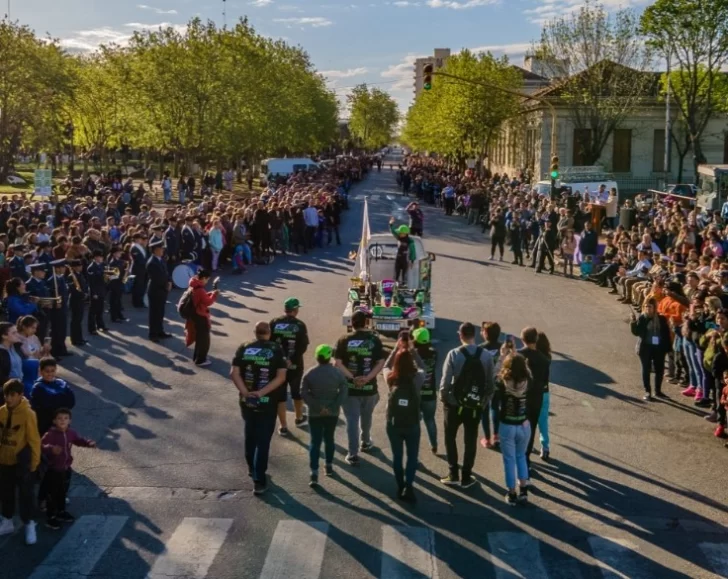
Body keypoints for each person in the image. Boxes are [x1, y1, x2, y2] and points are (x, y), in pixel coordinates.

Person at [230, 322, 287, 495]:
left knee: (250, 433)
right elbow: (281, 376)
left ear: (255, 333)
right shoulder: (276, 349)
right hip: (267, 401)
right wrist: (261, 393)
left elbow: (234, 373)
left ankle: (251, 468)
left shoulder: (244, 347)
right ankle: (259, 480)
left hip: (247, 401)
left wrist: (246, 393)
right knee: (263, 441)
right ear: (269, 333)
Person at [439, 322, 495, 488]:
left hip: (454, 404)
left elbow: (445, 383)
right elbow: (491, 384)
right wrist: (482, 403)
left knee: (450, 437)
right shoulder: (486, 356)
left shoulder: (454, 354)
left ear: (460, 335)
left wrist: (445, 399)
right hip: (474, 405)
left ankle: (453, 473)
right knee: (470, 440)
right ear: (475, 335)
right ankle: (466, 476)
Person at [335, 310, 386, 466]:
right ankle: (365, 441)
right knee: (367, 416)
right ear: (366, 323)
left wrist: (352, 378)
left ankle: (352, 454)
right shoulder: (374, 340)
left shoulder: (344, 339)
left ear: (352, 322)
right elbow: (380, 363)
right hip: (369, 388)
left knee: (351, 420)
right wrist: (368, 378)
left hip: (350, 388)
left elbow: (337, 363)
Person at [383, 339, 426, 503]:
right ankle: (409, 485)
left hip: (393, 422)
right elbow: (424, 368)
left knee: (397, 455)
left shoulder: (391, 378)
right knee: (412, 456)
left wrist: (395, 349)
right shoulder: (417, 379)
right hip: (412, 422)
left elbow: (386, 366)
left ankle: (400, 485)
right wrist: (413, 351)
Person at [40, 408, 96, 529]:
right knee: (52, 494)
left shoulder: (71, 433)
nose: (62, 421)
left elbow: (78, 440)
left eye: (65, 418)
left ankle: (61, 512)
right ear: (54, 421)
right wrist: (51, 448)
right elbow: (41, 445)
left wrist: (87, 443)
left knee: (62, 492)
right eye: (59, 418)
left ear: (70, 420)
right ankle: (51, 517)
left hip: (66, 468)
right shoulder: (50, 434)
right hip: (54, 469)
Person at [0, 379, 40, 545]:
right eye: (6, 395)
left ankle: (29, 523)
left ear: (20, 395)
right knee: (5, 492)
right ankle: (7, 520)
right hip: (4, 459)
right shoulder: (1, 411)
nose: (8, 399)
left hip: (21, 461)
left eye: (12, 395)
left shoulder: (28, 414)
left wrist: (34, 463)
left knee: (25, 494)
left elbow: (34, 439)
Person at [301, 344, 348, 486]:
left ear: (317, 357)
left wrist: (317, 406)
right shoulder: (337, 373)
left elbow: (303, 393)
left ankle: (313, 473)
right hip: (332, 413)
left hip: (315, 414)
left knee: (315, 442)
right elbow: (344, 390)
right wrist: (333, 406)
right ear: (330, 357)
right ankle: (328, 466)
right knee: (329, 439)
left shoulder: (310, 373)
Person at [497, 353, 535, 506]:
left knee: (509, 459)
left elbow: (495, 377)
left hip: (507, 424)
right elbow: (529, 373)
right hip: (524, 424)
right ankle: (524, 489)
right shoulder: (528, 381)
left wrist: (501, 357)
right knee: (521, 456)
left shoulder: (502, 382)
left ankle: (511, 492)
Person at [269, 298, 310, 434]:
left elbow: (270, 344)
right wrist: (291, 359)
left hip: (278, 366)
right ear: (295, 310)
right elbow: (303, 346)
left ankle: (283, 426)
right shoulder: (300, 325)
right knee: (296, 392)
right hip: (295, 365)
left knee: (280, 396)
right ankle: (299, 418)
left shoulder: (274, 322)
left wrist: (279, 360)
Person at [518, 327, 551, 468]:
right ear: (536, 340)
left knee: (517, 427)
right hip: (537, 397)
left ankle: (519, 456)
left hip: (520, 397)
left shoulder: (518, 355)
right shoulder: (545, 359)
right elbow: (545, 380)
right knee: (530, 429)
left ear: (522, 339)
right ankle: (526, 458)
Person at [630, 297, 672, 401]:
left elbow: (666, 334)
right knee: (646, 369)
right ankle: (647, 391)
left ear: (655, 307)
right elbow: (636, 332)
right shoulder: (643, 318)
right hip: (645, 347)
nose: (647, 308)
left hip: (658, 348)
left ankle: (658, 391)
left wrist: (668, 348)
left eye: (650, 306)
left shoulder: (661, 319)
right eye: (646, 306)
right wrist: (633, 322)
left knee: (659, 369)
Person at [480, 322, 510, 450]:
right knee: (495, 407)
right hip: (499, 382)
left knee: (484, 410)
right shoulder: (502, 348)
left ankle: (487, 439)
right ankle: (496, 436)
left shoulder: (480, 348)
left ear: (485, 333)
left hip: (484, 383)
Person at [30, 357, 76, 436]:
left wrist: (59, 405)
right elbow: (46, 406)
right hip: (46, 425)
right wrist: (61, 402)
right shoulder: (38, 387)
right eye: (47, 371)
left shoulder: (61, 383)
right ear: (41, 371)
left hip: (63, 422)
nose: (50, 374)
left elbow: (71, 401)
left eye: (53, 371)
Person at [412, 328, 438, 453]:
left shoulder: (413, 355)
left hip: (415, 394)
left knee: (415, 422)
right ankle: (434, 445)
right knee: (430, 420)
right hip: (430, 392)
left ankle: (415, 447)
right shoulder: (434, 353)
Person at [185, 270, 219, 367]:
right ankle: (200, 360)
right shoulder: (200, 289)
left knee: (200, 338)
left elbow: (201, 298)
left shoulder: (194, 284)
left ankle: (198, 357)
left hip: (195, 314)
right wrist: (214, 295)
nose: (207, 281)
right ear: (203, 278)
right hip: (200, 315)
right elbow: (208, 302)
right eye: (207, 279)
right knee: (204, 339)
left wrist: (209, 294)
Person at [146, 239, 172, 343]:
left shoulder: (160, 260)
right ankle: (153, 334)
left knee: (160, 312)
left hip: (162, 289)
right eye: (161, 249)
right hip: (156, 290)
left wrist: (169, 281)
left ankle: (160, 331)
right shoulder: (152, 262)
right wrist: (166, 284)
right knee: (154, 313)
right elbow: (157, 277)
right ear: (156, 250)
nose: (163, 251)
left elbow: (166, 272)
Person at [46, 259, 71, 359]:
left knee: (62, 329)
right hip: (56, 310)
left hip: (63, 308)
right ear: (57, 268)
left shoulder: (61, 278)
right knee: (56, 330)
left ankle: (62, 349)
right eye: (62, 267)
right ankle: (54, 351)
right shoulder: (52, 280)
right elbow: (50, 295)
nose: (64, 269)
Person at [534, 332, 553, 460]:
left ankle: (528, 445)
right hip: (545, 392)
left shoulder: (533, 357)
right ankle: (545, 447)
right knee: (543, 421)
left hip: (533, 392)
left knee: (530, 421)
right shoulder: (547, 357)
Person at [0, 322, 25, 403]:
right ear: (4, 336)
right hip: (7, 389)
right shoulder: (1, 353)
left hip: (19, 383)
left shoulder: (15, 347)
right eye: (14, 333)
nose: (17, 335)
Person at [67, 259, 89, 347]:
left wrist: (86, 293)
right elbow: (73, 289)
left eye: (81, 265)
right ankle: (75, 339)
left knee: (79, 320)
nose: (80, 267)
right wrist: (82, 294)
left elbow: (84, 285)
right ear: (74, 267)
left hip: (81, 299)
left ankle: (80, 338)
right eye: (78, 266)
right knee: (75, 320)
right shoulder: (71, 276)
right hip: (75, 300)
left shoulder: (80, 274)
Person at [86, 249, 108, 335]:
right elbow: (91, 282)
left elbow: (104, 277)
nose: (101, 258)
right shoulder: (91, 267)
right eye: (99, 257)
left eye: (102, 257)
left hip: (102, 290)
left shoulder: (103, 265)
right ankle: (92, 328)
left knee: (100, 309)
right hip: (95, 291)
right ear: (95, 258)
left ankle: (100, 325)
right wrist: (94, 293)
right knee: (93, 311)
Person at [129, 233, 148, 309]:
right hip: (138, 269)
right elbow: (139, 260)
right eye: (140, 238)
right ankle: (136, 302)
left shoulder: (140, 247)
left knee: (142, 286)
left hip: (143, 269)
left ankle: (140, 301)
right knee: (137, 286)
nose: (141, 240)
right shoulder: (134, 248)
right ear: (136, 239)